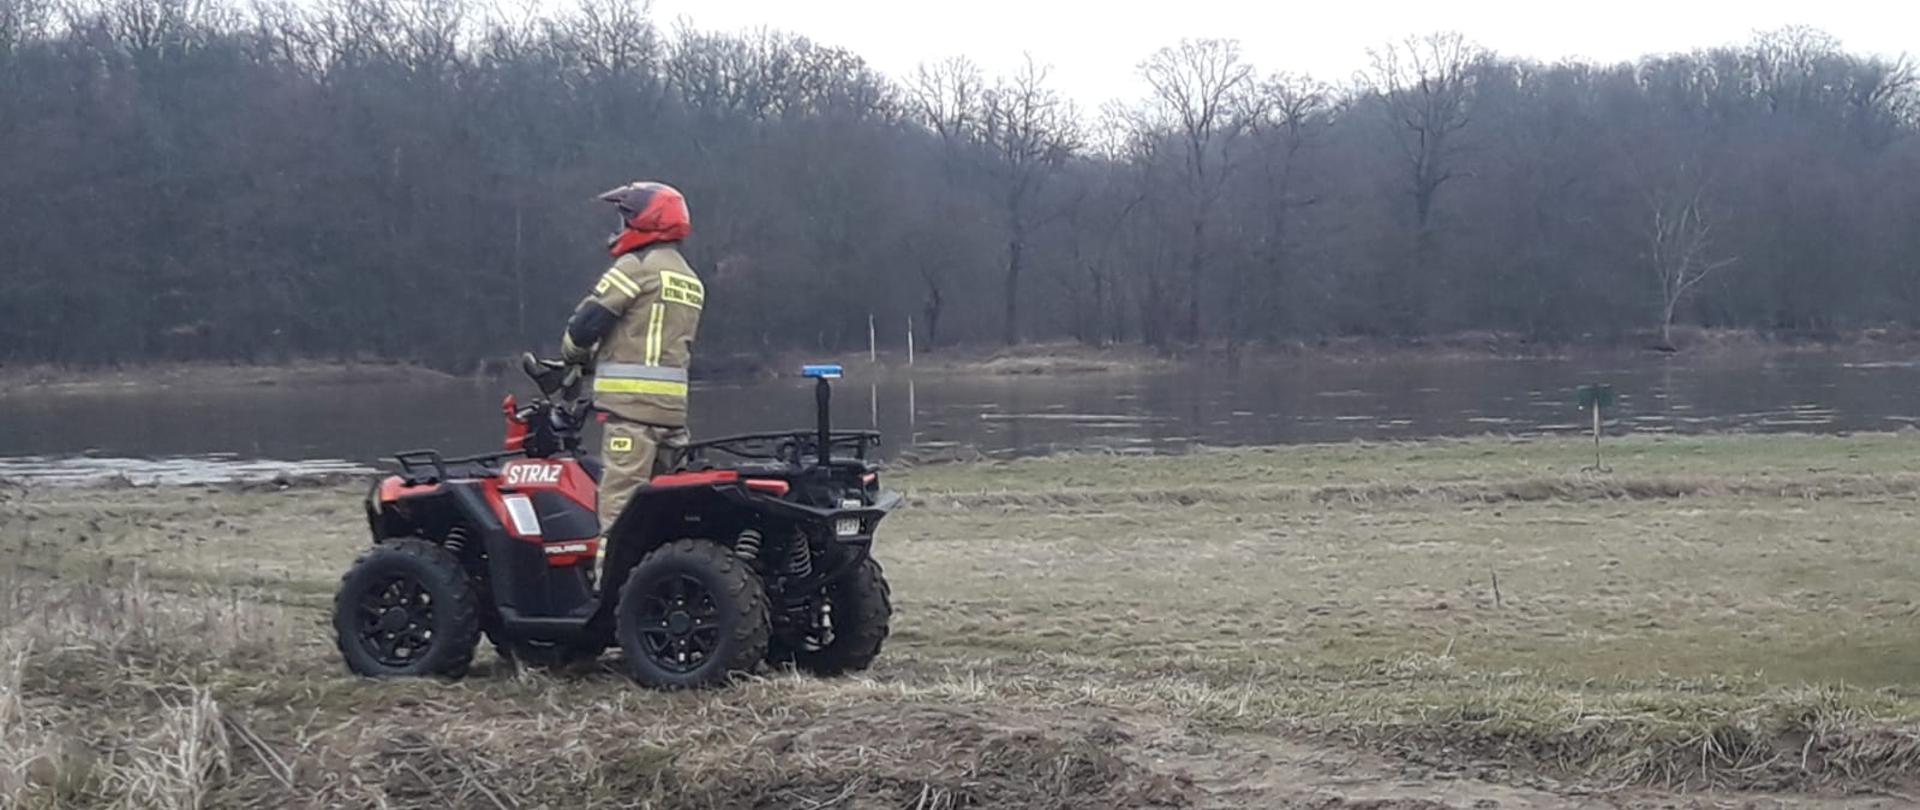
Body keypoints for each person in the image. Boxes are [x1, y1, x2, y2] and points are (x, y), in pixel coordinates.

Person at [559, 181, 704, 568]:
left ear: (646, 221)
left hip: (632, 418)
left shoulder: (636, 268)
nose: (620, 228)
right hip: (671, 417)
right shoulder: (688, 278)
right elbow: (645, 339)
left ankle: (607, 603)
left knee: (618, 517)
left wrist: (572, 356)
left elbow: (587, 324)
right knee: (661, 518)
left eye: (625, 219)